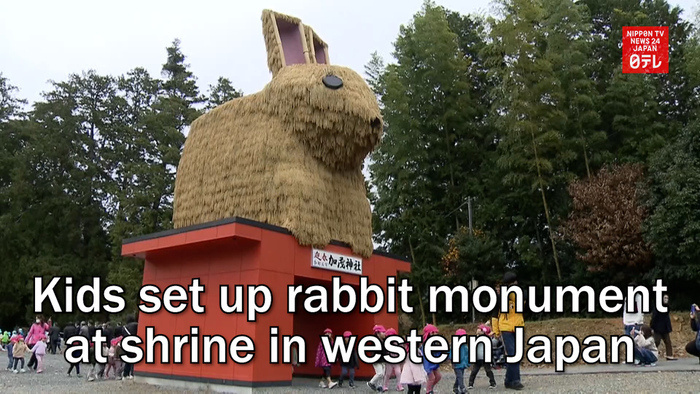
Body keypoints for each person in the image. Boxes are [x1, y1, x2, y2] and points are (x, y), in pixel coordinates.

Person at [492, 271, 525, 390]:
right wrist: (496, 332)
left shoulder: (520, 295)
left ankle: (508, 380)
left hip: (518, 326)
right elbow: (494, 315)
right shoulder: (500, 297)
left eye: (514, 283)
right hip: (506, 328)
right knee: (512, 353)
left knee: (516, 354)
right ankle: (516, 380)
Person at [469, 324, 497, 389]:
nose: (478, 330)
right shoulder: (476, 338)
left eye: (480, 329)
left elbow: (493, 342)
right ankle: (470, 383)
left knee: (488, 371)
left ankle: (493, 383)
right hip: (478, 357)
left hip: (485, 357)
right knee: (474, 371)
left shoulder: (488, 339)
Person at [650, 294, 676, 360]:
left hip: (665, 327)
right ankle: (651, 354)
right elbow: (654, 317)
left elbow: (667, 316)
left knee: (668, 341)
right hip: (657, 327)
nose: (666, 299)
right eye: (664, 298)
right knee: (657, 341)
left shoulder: (667, 307)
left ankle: (669, 355)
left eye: (667, 298)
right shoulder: (657, 307)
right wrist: (652, 327)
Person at [381, 328, 403, 392]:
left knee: (398, 373)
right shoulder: (385, 342)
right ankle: (385, 385)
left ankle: (399, 385)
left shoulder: (398, 341)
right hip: (389, 360)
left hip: (396, 360)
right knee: (388, 373)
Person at [422, 324, 441, 394]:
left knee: (438, 376)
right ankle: (428, 391)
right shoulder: (426, 343)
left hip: (433, 363)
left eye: (436, 332)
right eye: (433, 332)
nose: (435, 334)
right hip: (428, 364)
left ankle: (430, 388)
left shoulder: (435, 342)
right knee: (432, 377)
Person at [449, 328, 469, 394]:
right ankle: (462, 388)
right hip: (456, 365)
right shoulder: (454, 346)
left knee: (459, 377)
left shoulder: (465, 346)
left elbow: (467, 355)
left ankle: (455, 387)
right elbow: (450, 354)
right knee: (460, 376)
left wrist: (468, 363)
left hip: (463, 364)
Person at [367, 324, 387, 391]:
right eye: (383, 332)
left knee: (383, 374)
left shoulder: (384, 341)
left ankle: (379, 386)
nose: (385, 334)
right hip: (376, 360)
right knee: (379, 373)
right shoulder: (375, 341)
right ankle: (371, 382)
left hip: (383, 360)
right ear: (378, 333)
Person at [121, 314, 138, 379]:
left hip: (126, 343)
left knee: (127, 359)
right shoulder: (136, 325)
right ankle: (132, 373)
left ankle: (125, 374)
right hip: (134, 342)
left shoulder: (124, 327)